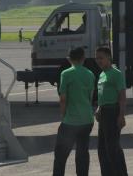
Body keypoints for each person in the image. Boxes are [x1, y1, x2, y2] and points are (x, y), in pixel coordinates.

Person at [53, 47, 95, 176]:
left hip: (71, 120)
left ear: (69, 59)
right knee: (82, 153)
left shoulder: (66, 73)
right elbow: (90, 97)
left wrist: (63, 114)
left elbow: (63, 99)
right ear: (84, 58)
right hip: (87, 119)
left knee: (61, 154)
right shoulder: (90, 74)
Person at [94, 47, 128, 176]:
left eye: (101, 58)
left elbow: (122, 96)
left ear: (109, 58)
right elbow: (102, 95)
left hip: (113, 113)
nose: (98, 60)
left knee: (113, 149)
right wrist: (98, 108)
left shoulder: (116, 73)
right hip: (103, 113)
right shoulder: (102, 74)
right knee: (102, 149)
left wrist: (121, 115)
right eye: (97, 58)